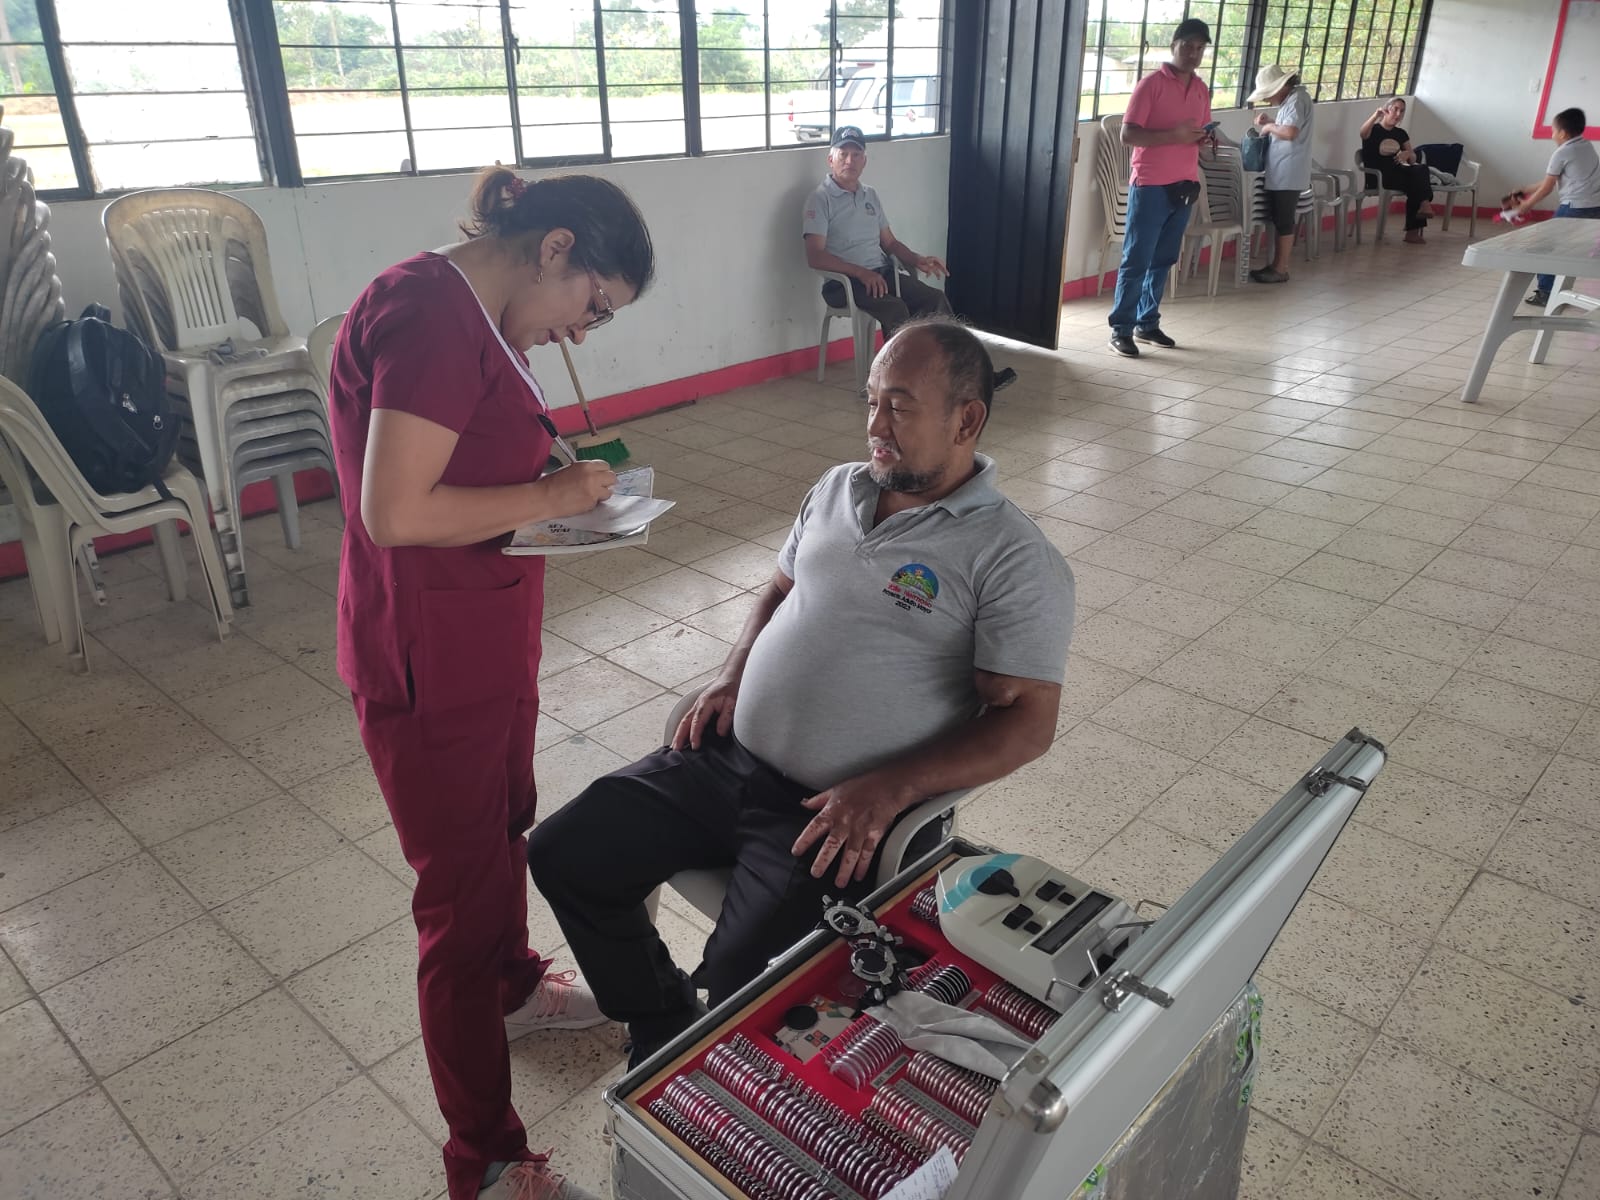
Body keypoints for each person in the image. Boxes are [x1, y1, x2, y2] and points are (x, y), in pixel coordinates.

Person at [527, 317, 1074, 1069]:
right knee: (565, 851)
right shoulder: (839, 486)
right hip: (723, 759)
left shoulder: (1010, 556)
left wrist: (887, 789)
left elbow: (1028, 723)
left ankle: (712, 1048)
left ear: (966, 420)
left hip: (824, 816)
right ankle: (662, 1017)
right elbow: (778, 590)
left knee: (743, 982)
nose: (876, 426)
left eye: (900, 406)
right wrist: (732, 672)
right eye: (871, 401)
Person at [328, 167, 654, 1200]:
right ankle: (486, 1159)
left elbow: (472, 470)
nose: (582, 331)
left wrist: (560, 500)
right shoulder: (430, 311)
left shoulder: (484, 313)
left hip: (485, 636)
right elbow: (395, 512)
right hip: (429, 661)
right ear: (556, 248)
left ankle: (513, 989)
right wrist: (551, 495)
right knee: (459, 910)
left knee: (503, 828)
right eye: (593, 304)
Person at [1108, 18, 1213, 358]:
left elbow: (1199, 131)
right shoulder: (1150, 85)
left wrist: (1204, 139)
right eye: (1187, 46)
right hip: (1151, 184)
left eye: (1200, 48)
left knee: (1164, 259)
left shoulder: (1201, 89)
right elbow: (1128, 134)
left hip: (1185, 184)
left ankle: (1147, 322)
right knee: (1137, 259)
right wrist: (1174, 136)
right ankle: (1121, 329)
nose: (1193, 54)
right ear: (1173, 45)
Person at [802, 124, 954, 340]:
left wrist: (917, 259)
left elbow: (890, 243)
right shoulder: (820, 198)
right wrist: (860, 273)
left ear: (864, 161)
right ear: (831, 160)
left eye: (856, 155)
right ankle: (898, 363)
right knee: (896, 309)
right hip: (844, 283)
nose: (849, 161)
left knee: (934, 299)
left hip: (881, 274)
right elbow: (815, 256)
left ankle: (948, 360)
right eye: (843, 154)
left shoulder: (870, 195)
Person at [1510, 107, 1600, 306]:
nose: (1552, 135)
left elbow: (1547, 188)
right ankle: (1557, 290)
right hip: (1595, 207)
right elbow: (1551, 180)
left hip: (1574, 207)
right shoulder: (1587, 147)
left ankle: (1546, 292)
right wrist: (1525, 189)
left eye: (1553, 131)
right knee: (1566, 248)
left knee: (1545, 245)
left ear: (1563, 133)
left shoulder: (1562, 152)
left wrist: (1526, 205)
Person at [1247, 64, 1314, 284]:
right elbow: (1288, 126)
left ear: (1281, 87)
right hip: (1282, 169)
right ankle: (1276, 265)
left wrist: (1268, 128)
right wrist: (1271, 122)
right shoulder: (1292, 100)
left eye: (1268, 94)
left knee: (1284, 220)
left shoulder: (1297, 100)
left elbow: (1291, 132)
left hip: (1289, 170)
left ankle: (1281, 268)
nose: (1267, 100)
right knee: (1279, 218)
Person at [1359, 96, 1434, 243]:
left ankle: (1421, 212)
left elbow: (1413, 159)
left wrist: (1408, 154)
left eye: (1402, 111)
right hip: (1379, 176)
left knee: (1421, 171)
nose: (1398, 114)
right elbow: (1362, 133)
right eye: (1395, 109)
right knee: (1417, 182)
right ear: (1387, 109)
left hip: (1398, 173)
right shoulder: (1374, 129)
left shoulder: (1401, 133)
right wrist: (1375, 116)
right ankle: (1423, 208)